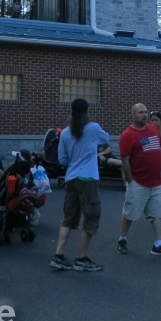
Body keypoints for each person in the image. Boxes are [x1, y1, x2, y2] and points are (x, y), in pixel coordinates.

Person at [50, 97, 109, 272]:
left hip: (71, 179)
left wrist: (75, 161)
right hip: (88, 179)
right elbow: (105, 139)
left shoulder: (65, 133)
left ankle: (59, 256)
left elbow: (62, 159)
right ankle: (82, 258)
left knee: (69, 218)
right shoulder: (93, 128)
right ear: (87, 112)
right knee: (91, 217)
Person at [117, 103, 161, 256]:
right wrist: (131, 181)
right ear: (133, 115)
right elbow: (125, 160)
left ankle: (158, 244)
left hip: (157, 181)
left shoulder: (153, 129)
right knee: (130, 213)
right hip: (138, 182)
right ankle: (122, 239)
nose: (144, 115)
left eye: (145, 112)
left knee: (159, 213)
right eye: (140, 113)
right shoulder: (127, 135)